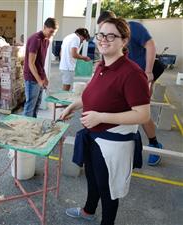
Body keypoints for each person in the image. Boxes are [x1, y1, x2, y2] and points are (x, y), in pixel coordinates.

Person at [61, 18, 150, 225]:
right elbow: (94, 96)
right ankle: (88, 211)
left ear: (124, 41)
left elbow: (142, 114)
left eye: (111, 36)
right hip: (94, 138)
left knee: (109, 189)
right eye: (101, 35)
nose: (103, 40)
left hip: (113, 143)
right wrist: (73, 106)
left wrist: (101, 117)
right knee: (93, 179)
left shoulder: (132, 73)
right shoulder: (102, 65)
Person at [97, 10, 163, 166]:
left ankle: (154, 143)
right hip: (128, 75)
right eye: (101, 33)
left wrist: (148, 71)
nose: (104, 37)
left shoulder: (133, 27)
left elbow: (151, 46)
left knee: (140, 111)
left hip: (144, 72)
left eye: (107, 32)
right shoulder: (110, 40)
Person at [23, 17, 58, 117]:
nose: (51, 35)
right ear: (44, 27)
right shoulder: (35, 39)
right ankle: (24, 129)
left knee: (36, 105)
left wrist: (45, 77)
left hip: (39, 76)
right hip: (31, 77)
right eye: (50, 32)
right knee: (30, 106)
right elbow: (31, 63)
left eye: (53, 33)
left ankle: (32, 126)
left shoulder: (46, 40)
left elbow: (40, 62)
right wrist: (39, 80)